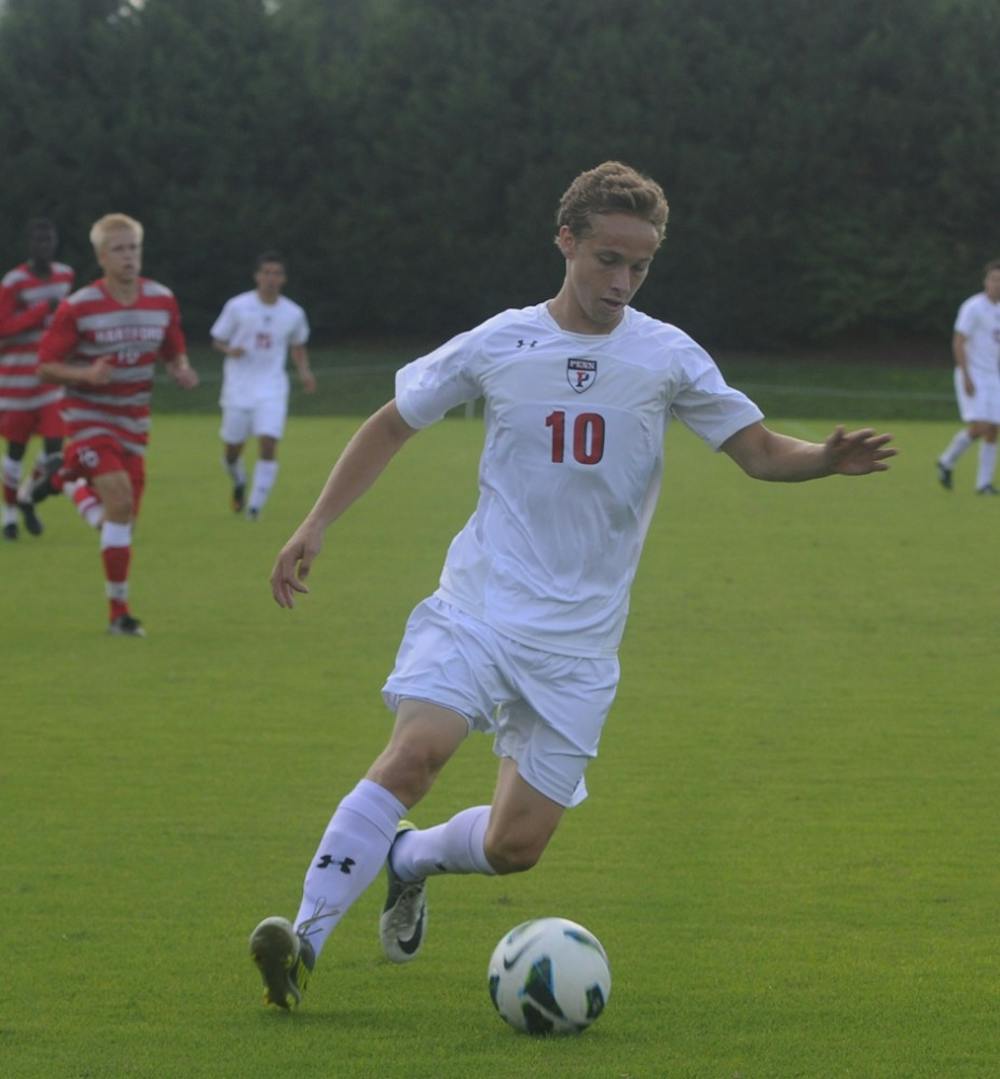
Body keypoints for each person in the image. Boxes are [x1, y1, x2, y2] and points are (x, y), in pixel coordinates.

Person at [248, 161, 896, 1010]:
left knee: (517, 846)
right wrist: (317, 520)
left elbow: (758, 450)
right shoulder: (500, 341)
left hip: (579, 645)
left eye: (640, 266)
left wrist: (823, 459)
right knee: (417, 753)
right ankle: (302, 942)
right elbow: (393, 420)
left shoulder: (667, 356)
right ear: (566, 241)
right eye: (607, 259)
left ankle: (407, 860)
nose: (622, 282)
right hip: (478, 605)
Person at [31, 213, 198, 636]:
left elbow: (173, 349)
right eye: (119, 249)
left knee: (118, 521)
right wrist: (85, 376)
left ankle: (64, 478)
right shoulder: (79, 307)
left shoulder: (161, 300)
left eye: (134, 248)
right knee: (119, 503)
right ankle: (118, 614)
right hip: (89, 420)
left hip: (134, 424)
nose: (129, 257)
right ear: (102, 257)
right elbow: (46, 367)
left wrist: (181, 369)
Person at [210, 252, 314, 519]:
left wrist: (304, 372)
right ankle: (239, 481)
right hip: (238, 388)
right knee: (232, 451)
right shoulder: (238, 306)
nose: (271, 278)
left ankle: (255, 507)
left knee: (268, 443)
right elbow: (217, 338)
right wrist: (229, 350)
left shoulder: (293, 312)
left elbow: (298, 346)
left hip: (272, 388)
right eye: (266, 272)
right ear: (257, 276)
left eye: (276, 273)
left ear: (283, 278)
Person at [0, 218, 75, 539]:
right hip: (17, 380)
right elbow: (3, 327)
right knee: (15, 451)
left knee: (54, 451)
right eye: (38, 241)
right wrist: (43, 309)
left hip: (50, 379)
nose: (44, 246)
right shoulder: (14, 282)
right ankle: (10, 514)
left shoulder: (65, 275)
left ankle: (29, 496)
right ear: (29, 245)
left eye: (49, 240)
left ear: (55, 243)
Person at [936, 259, 1000, 494]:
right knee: (981, 426)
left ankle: (983, 484)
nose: (997, 284)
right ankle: (947, 460)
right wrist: (966, 375)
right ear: (986, 281)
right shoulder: (973, 307)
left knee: (993, 430)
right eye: (994, 279)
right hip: (974, 375)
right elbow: (959, 342)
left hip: (994, 376)